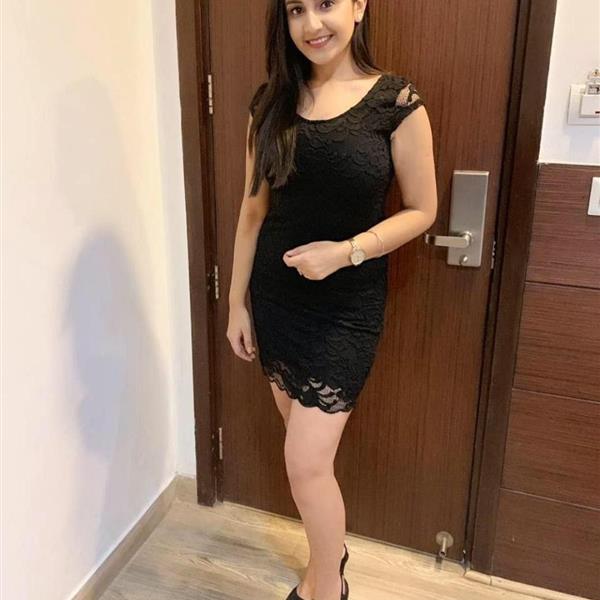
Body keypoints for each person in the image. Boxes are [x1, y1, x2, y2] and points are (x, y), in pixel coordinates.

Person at [227, 1, 437, 598]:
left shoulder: (396, 102)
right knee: (307, 461)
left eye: (326, 4)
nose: (312, 24)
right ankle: (332, 553)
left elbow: (423, 209)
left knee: (305, 464)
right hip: (276, 301)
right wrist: (236, 304)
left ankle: (325, 587)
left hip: (346, 310)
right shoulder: (268, 104)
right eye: (297, 9)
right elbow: (252, 211)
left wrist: (346, 252)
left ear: (358, 6)